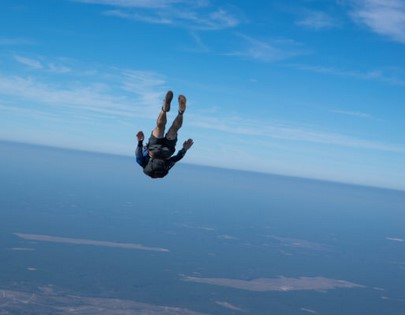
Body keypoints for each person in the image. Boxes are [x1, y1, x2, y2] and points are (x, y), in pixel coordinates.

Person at [135, 90, 194, 178]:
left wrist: (184, 149)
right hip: (153, 148)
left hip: (167, 152)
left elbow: (176, 159)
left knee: (174, 130)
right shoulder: (144, 166)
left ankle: (181, 113)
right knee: (160, 127)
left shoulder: (165, 169)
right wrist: (140, 142)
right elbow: (138, 156)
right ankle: (164, 109)